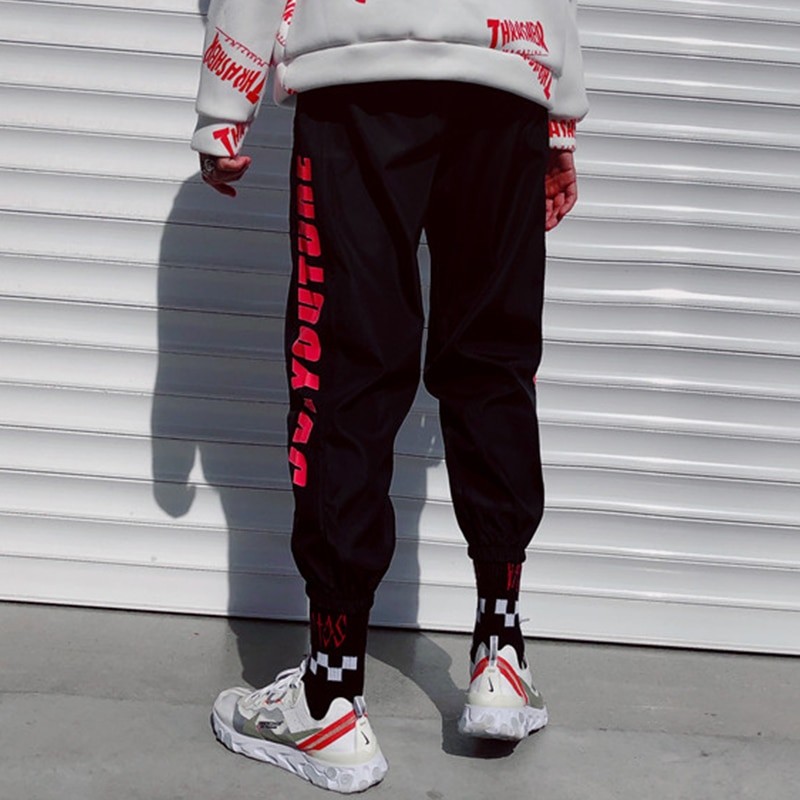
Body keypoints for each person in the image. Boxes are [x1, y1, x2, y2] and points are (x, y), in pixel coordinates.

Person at [192, 0, 588, 793]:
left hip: (362, 72)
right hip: (506, 74)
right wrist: (559, 113)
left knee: (345, 364)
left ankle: (330, 695)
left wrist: (223, 106)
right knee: (493, 363)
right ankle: (501, 657)